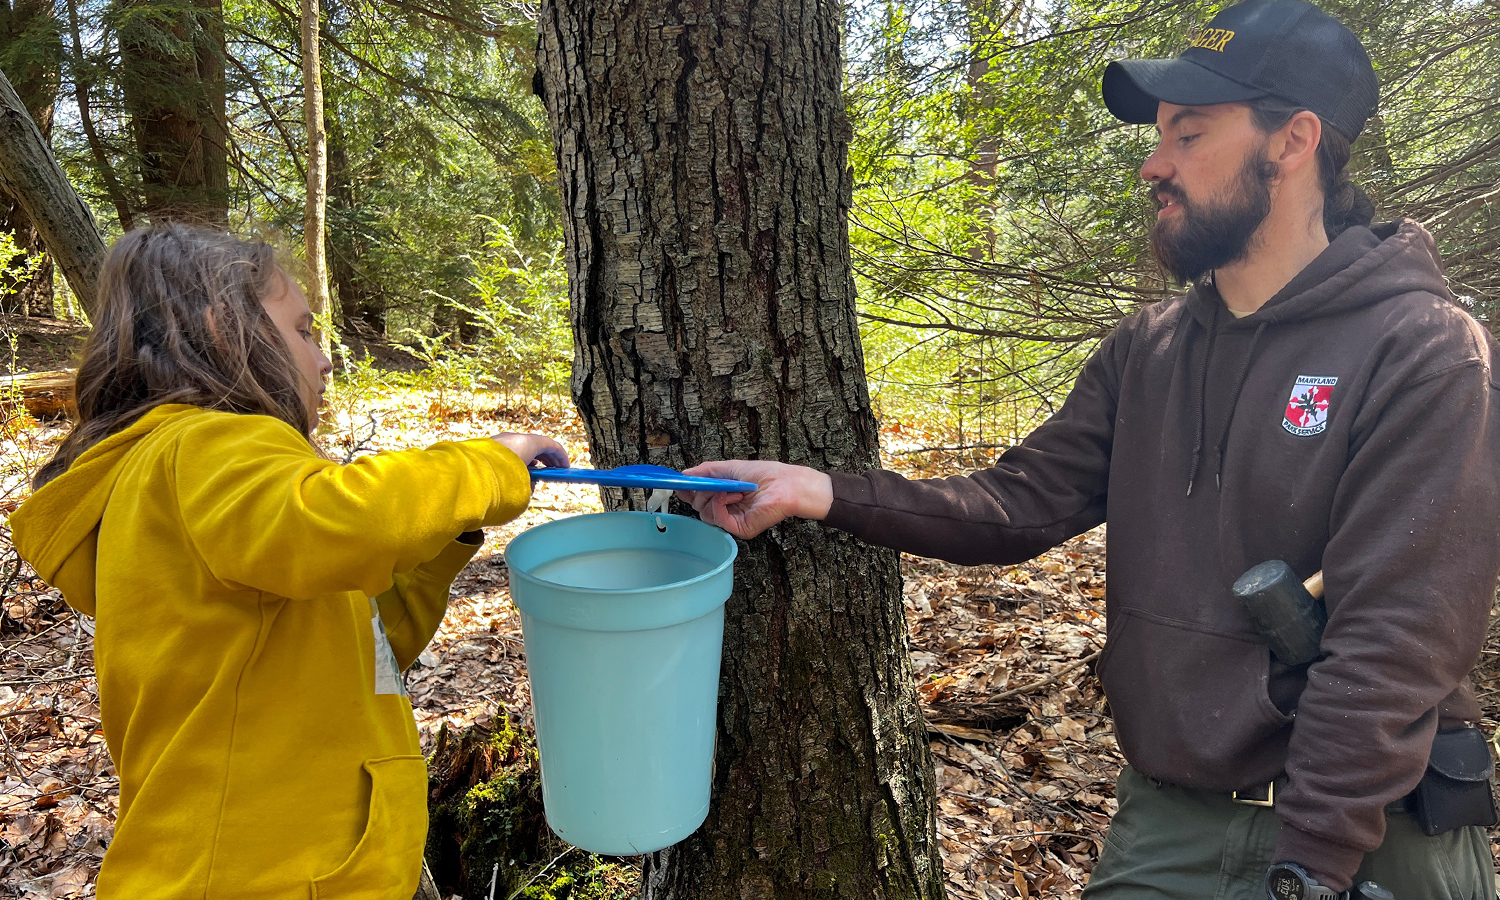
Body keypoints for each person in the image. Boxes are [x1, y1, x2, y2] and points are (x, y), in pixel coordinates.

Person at [678, 1, 1500, 898]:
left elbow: (1397, 641)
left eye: (1189, 135)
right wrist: (819, 492)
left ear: (1293, 141)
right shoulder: (1147, 352)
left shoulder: (1422, 350)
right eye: (1159, 138)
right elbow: (1018, 502)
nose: (1155, 165)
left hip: (1370, 837)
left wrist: (1311, 869)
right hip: (1171, 819)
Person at [10, 224, 569, 899]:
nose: (325, 358)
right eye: (304, 331)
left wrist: (445, 541)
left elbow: (356, 648)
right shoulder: (206, 447)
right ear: (225, 331)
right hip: (254, 876)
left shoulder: (218, 495)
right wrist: (481, 467)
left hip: (290, 866)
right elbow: (336, 523)